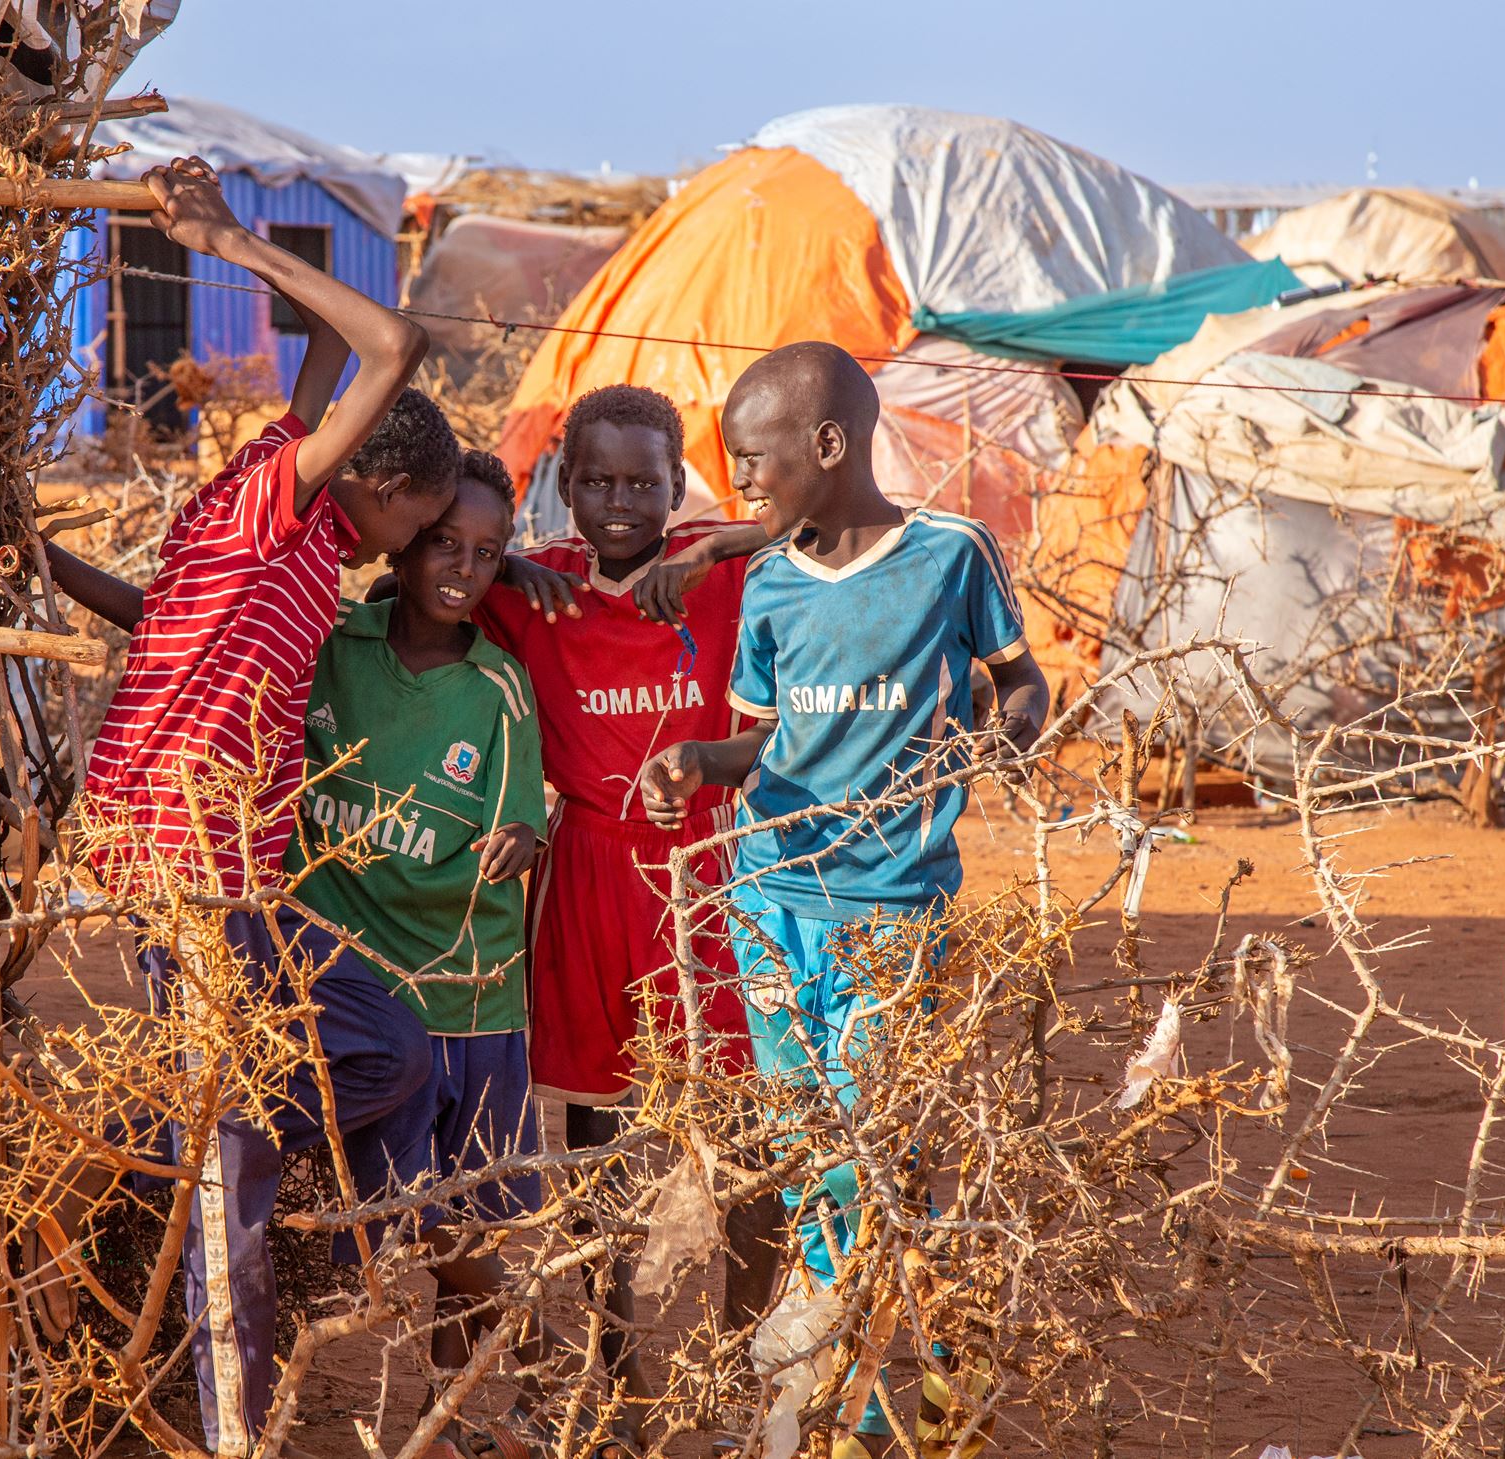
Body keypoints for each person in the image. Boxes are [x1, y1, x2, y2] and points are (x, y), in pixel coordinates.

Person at [44, 154, 458, 1457]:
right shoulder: (271, 506)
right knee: (237, 1157)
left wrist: (43, 558)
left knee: (390, 1051)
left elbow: (166, 619)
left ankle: (152, 1142)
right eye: (424, 520)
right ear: (374, 488)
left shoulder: (289, 530)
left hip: (229, 869)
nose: (417, 550)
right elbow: (389, 340)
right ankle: (234, 1420)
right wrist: (229, 237)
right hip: (189, 856)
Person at [636, 342, 1050, 1454]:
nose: (743, 484)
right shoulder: (767, 582)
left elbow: (1021, 681)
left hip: (891, 911)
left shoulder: (952, 556)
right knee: (800, 1142)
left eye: (754, 460)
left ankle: (868, 1400)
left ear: (828, 445)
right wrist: (696, 760)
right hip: (769, 902)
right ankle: (839, 1394)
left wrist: (1004, 735)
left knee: (870, 1154)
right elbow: (760, 742)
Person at [472, 385, 781, 1445]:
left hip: (705, 869)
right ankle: (619, 1354)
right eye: (595, 479)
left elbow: (821, 510)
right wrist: (501, 562)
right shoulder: (537, 584)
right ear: (562, 482)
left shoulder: (714, 566)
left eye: (641, 481)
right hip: (587, 867)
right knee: (595, 1137)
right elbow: (421, 563)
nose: (617, 502)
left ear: (674, 480)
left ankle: (743, 1362)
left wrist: (712, 543)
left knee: (741, 1129)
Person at [288, 451, 553, 1453]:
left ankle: (444, 1421)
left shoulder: (496, 692)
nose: (464, 566)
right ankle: (538, 1344)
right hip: (350, 989)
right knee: (406, 1210)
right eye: (446, 542)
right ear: (403, 544)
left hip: (464, 997)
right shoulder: (333, 646)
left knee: (462, 1222)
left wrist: (518, 842)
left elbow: (523, 821)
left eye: (487, 554)